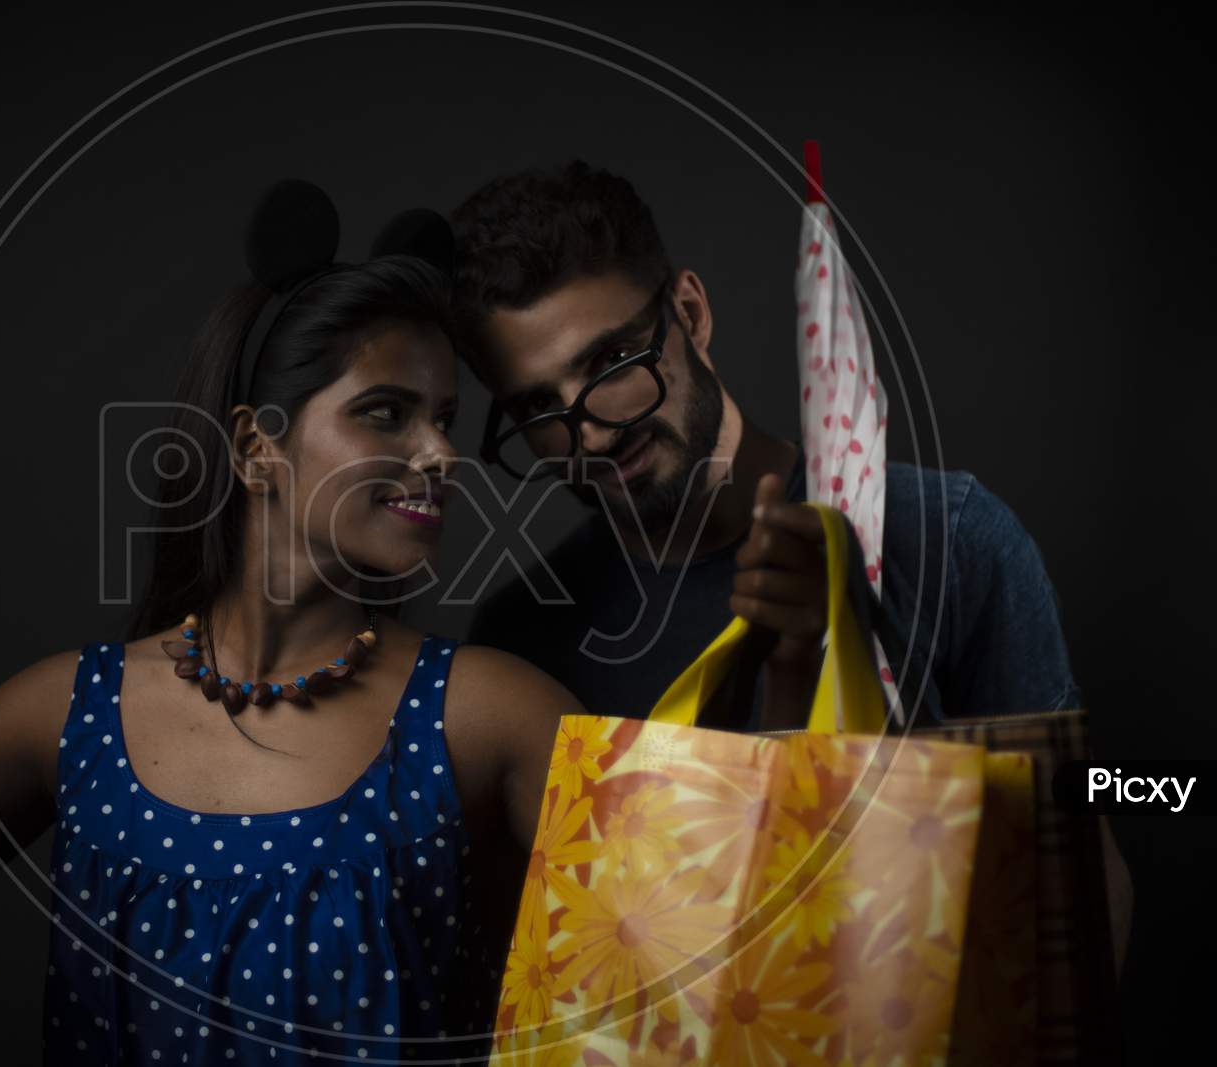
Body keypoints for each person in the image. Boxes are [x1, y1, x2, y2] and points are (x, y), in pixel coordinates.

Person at [0, 184, 834, 1065]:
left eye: (445, 417)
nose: (436, 454)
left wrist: (788, 666)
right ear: (256, 445)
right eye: (385, 413)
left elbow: (720, 955)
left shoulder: (492, 713)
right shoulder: (65, 713)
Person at [451, 160, 1083, 727]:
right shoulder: (519, 642)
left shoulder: (949, 539)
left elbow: (1069, 836)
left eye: (613, 361)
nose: (588, 432)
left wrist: (862, 659)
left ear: (691, 314)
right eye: (536, 405)